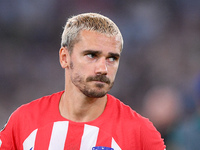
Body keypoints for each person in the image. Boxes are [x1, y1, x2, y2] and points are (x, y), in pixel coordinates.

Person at [0, 13, 166, 150]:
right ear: (65, 58)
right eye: (92, 56)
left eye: (112, 58)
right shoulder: (23, 122)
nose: (103, 69)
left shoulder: (140, 134)